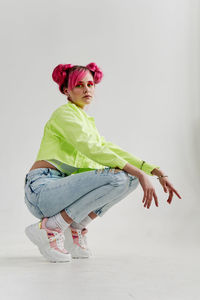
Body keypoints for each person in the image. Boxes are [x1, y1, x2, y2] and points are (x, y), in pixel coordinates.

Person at [24, 62, 182, 263]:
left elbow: (110, 150)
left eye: (90, 84)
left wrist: (155, 171)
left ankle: (75, 227)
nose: (86, 89)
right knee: (120, 177)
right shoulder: (64, 114)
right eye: (79, 85)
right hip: (42, 190)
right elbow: (92, 148)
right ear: (66, 90)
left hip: (60, 192)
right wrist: (141, 173)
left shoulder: (85, 121)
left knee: (129, 178)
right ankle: (51, 227)